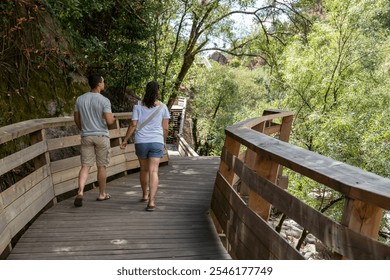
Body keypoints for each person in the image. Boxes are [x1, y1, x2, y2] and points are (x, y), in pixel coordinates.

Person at [120, 81, 170, 211]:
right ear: (157, 92)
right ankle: (152, 202)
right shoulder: (163, 107)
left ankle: (144, 195)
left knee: (144, 170)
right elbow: (165, 129)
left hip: (141, 141)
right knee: (154, 171)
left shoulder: (138, 107)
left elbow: (133, 124)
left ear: (146, 91)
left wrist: (125, 139)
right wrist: (164, 142)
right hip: (157, 141)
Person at [73, 74, 116, 207]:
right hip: (101, 136)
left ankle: (80, 192)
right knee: (101, 166)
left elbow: (76, 118)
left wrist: (84, 129)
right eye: (103, 81)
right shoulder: (104, 101)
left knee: (85, 166)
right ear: (98, 84)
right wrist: (114, 120)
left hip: (86, 135)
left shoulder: (80, 99)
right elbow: (109, 121)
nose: (104, 84)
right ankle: (102, 194)